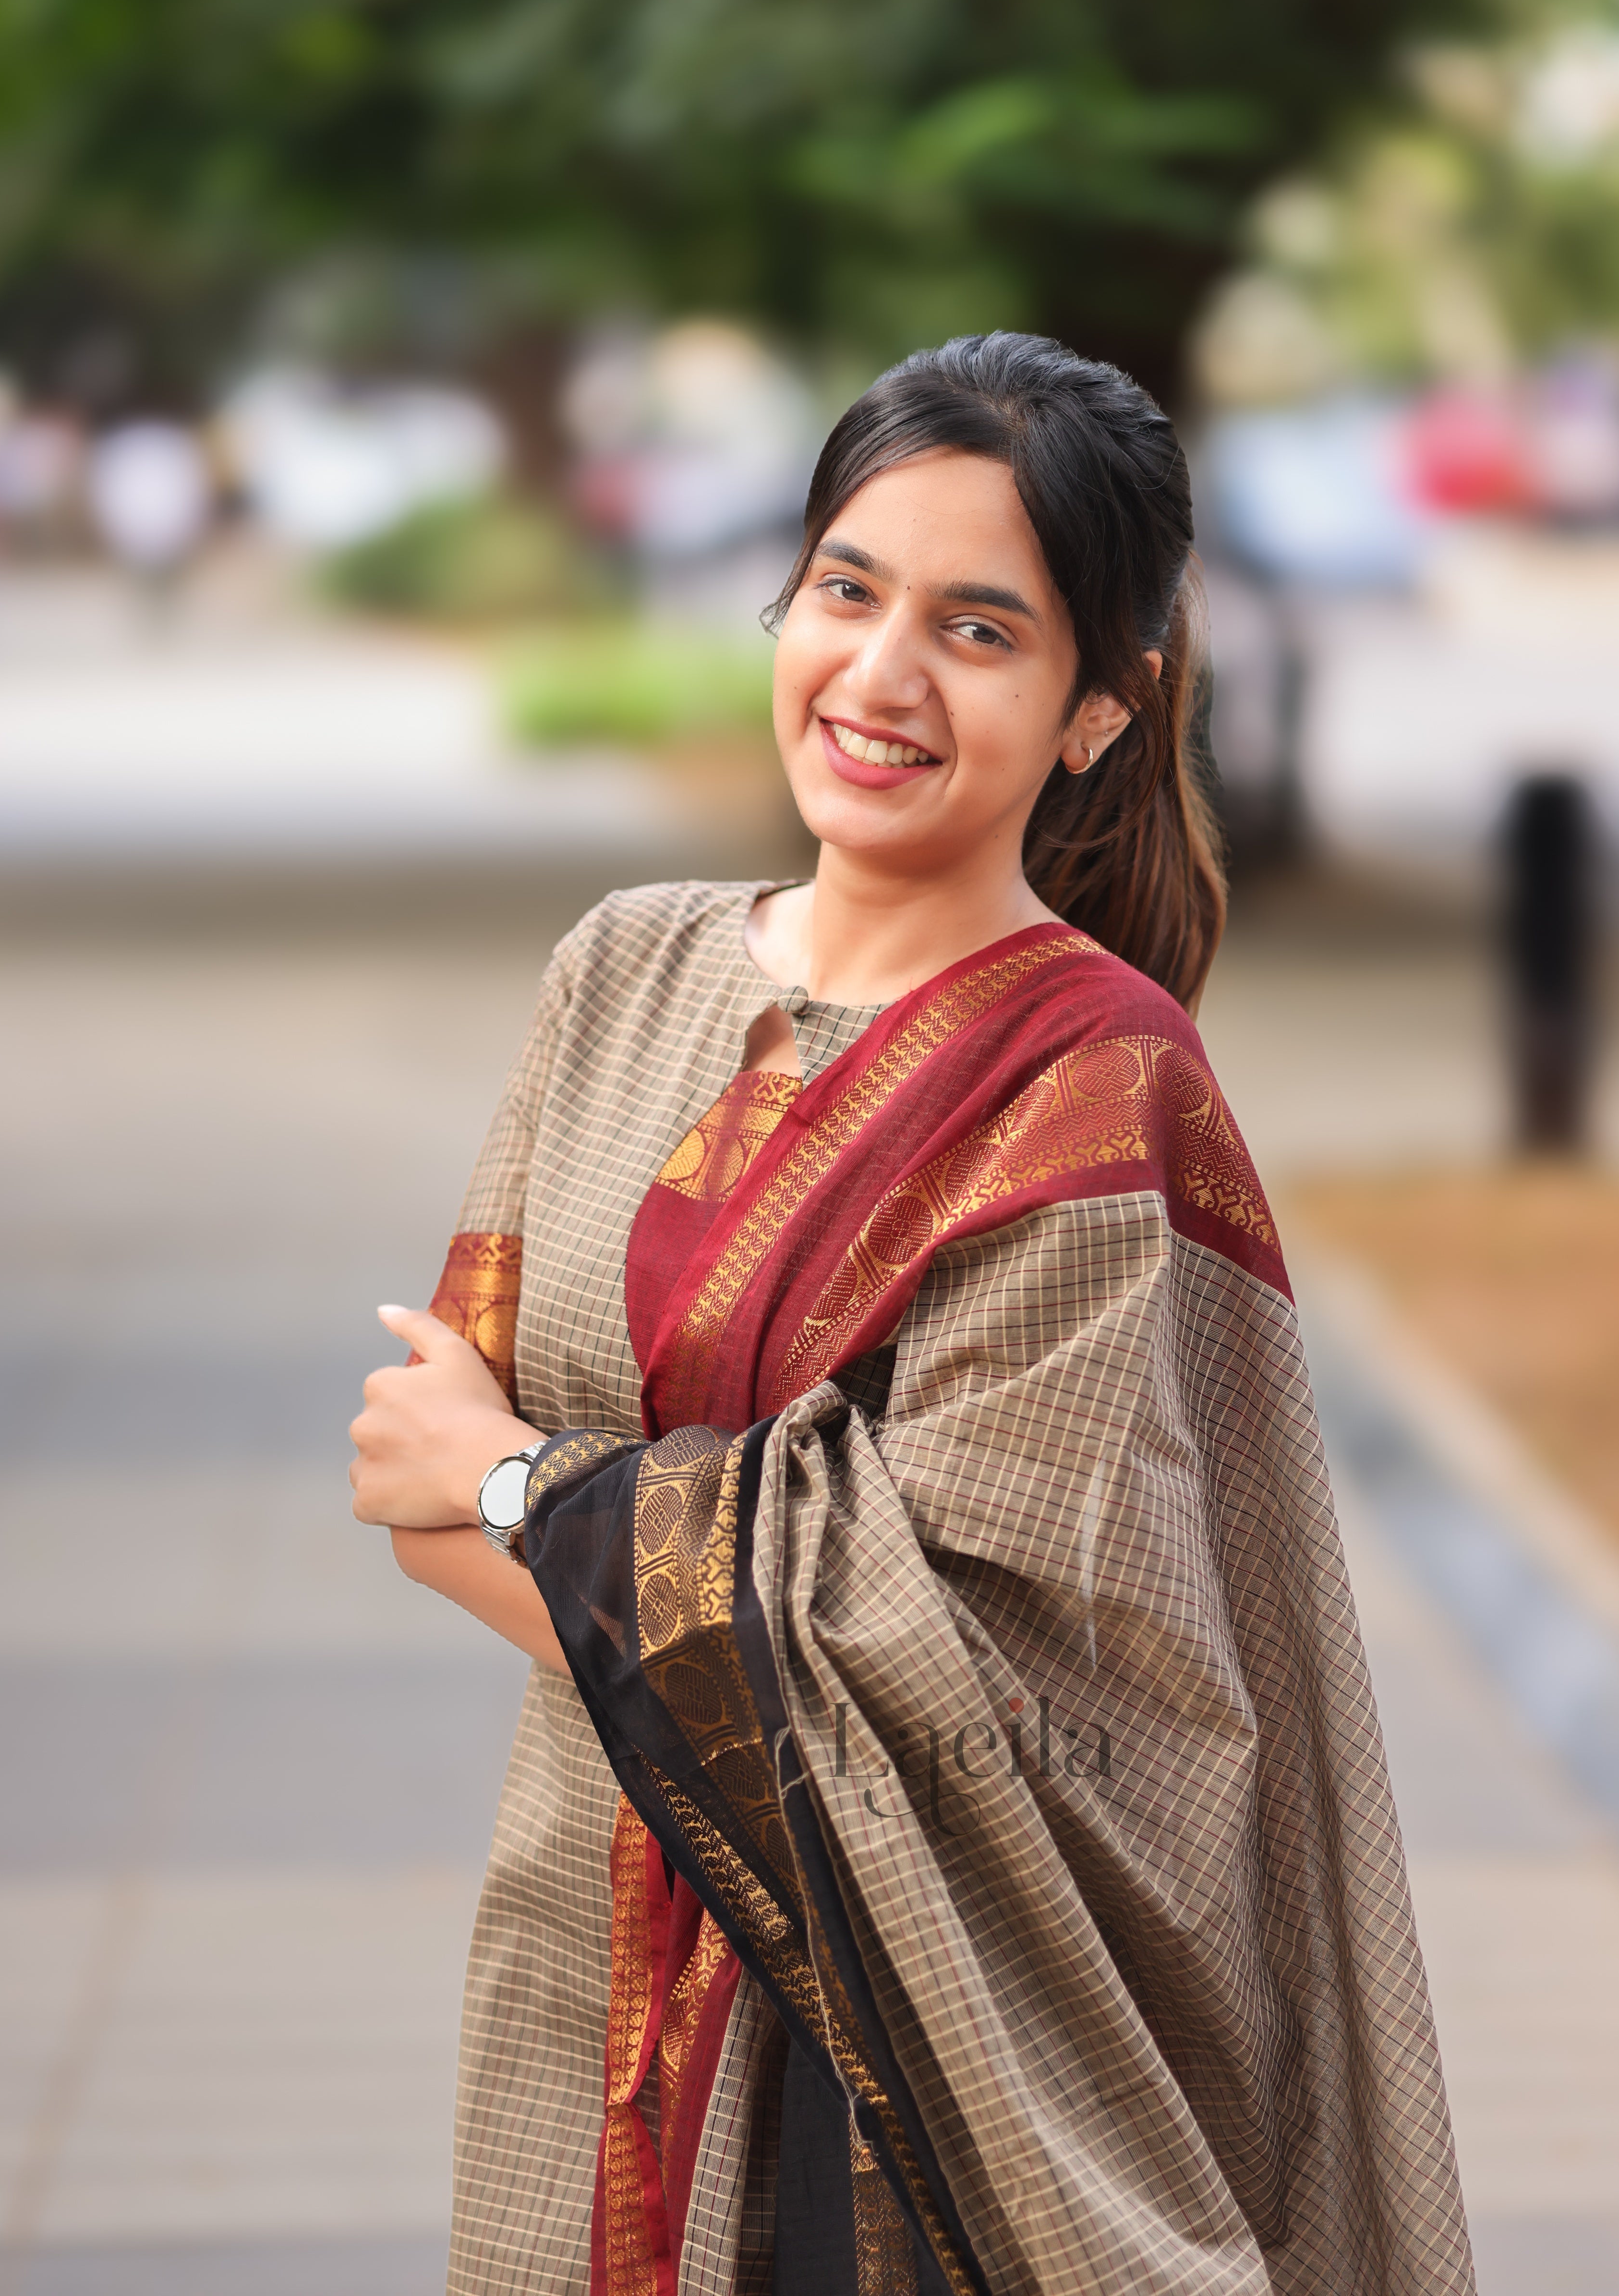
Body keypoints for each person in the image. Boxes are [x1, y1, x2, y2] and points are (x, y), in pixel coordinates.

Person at [348, 332, 1473, 2296]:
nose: (878, 677)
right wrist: (579, 1525)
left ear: (1096, 714)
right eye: (846, 591)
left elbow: (961, 1675)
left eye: (976, 628)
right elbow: (413, 1498)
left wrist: (538, 1488)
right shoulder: (619, 971)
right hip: (599, 1949)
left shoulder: (1089, 1085)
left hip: (928, 2055)